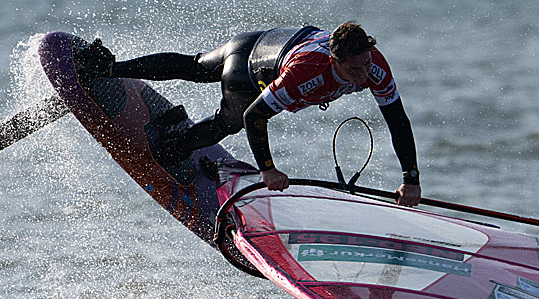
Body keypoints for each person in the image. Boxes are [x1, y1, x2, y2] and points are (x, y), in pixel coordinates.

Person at [74, 22, 421, 206]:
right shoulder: (306, 72)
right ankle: (171, 148)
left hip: (256, 41)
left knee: (195, 66)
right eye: (355, 69)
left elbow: (397, 119)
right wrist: (268, 171)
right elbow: (257, 116)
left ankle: (106, 67)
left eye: (367, 64)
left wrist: (411, 178)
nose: (365, 76)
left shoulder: (374, 65)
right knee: (231, 121)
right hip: (250, 70)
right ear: (335, 60)